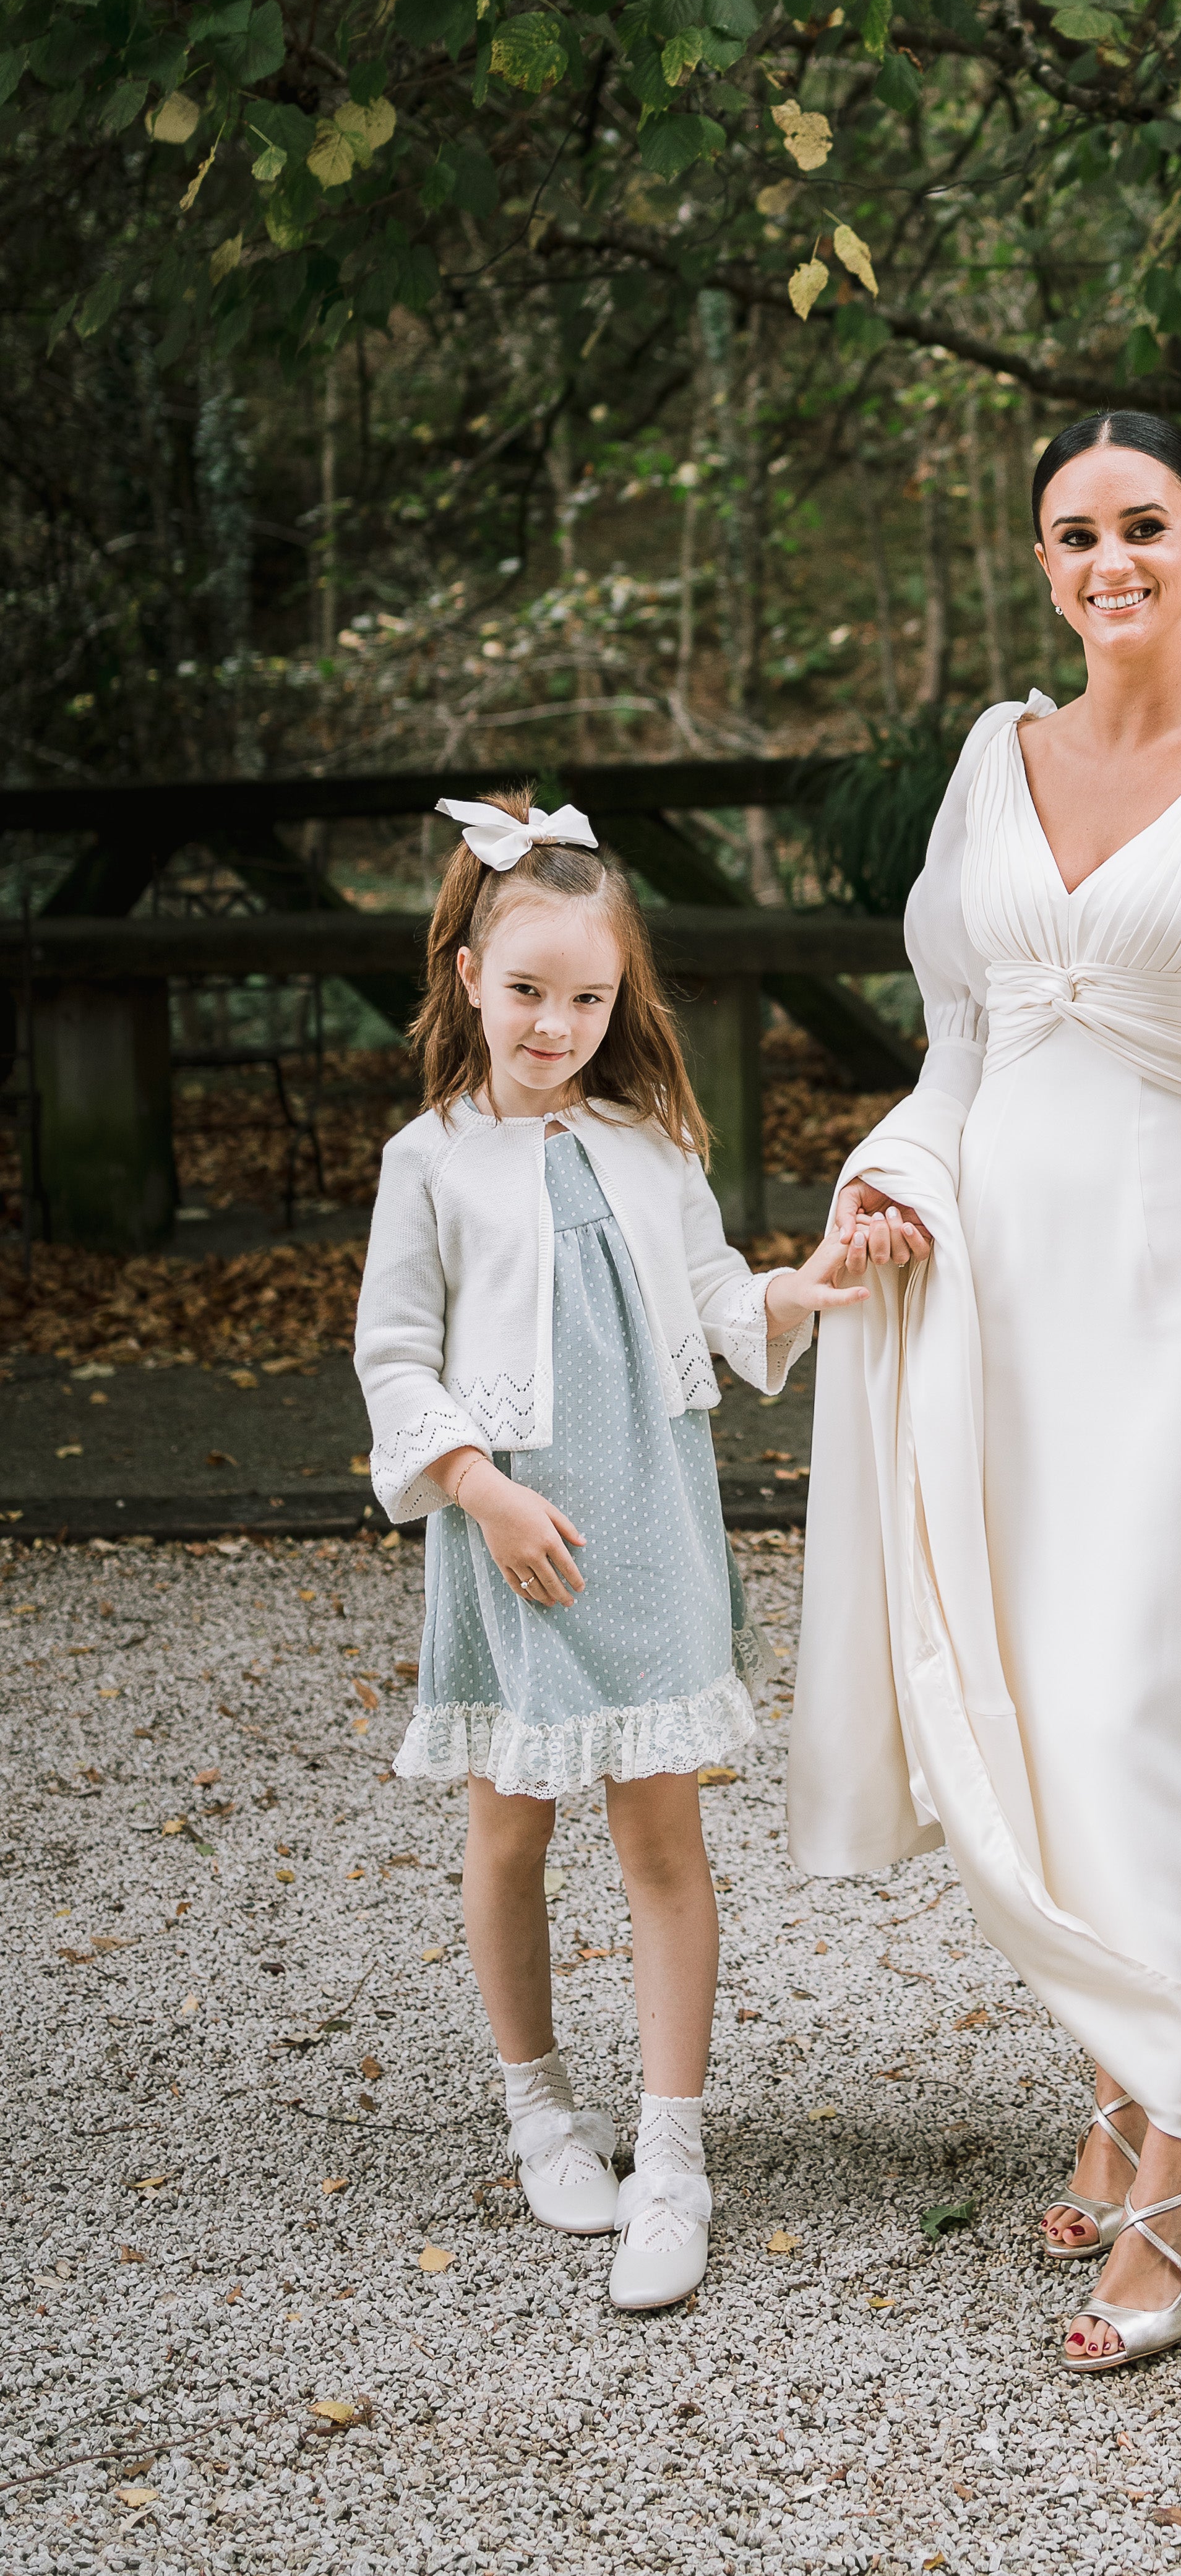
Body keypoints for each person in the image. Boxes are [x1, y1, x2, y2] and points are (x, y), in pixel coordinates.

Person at [788, 408, 1181, 2372]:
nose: (1109, 558)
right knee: (1042, 1687)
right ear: (1039, 561)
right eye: (1073, 532)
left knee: (1148, 1681)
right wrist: (894, 1176)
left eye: (1145, 525)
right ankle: (1130, 2070)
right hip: (1001, 1281)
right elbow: (958, 1043)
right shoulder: (994, 754)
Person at [354, 788, 908, 2311]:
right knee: (513, 1830)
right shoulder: (432, 1161)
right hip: (518, 1532)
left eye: (588, 995)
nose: (557, 1022)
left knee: (664, 1840)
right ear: (467, 972)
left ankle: (676, 2153)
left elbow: (720, 1305)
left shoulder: (654, 1142)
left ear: (622, 996)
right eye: (528, 989)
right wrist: (478, 1483)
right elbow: (395, 1359)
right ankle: (542, 2106)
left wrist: (805, 1284)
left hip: (650, 1521)